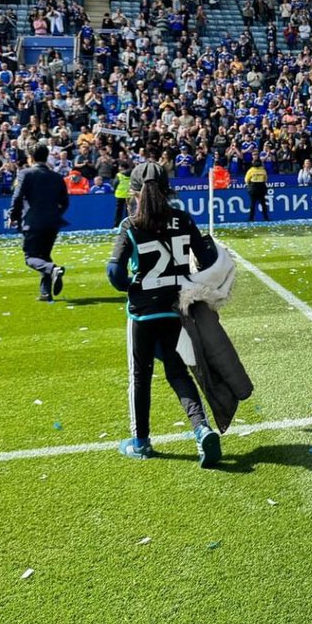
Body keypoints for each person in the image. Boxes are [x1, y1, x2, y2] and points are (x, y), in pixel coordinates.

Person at [106, 161, 223, 465]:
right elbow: (208, 258)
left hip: (143, 313)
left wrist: (134, 286)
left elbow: (114, 274)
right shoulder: (183, 219)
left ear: (134, 192)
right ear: (168, 189)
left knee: (140, 376)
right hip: (176, 308)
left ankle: (141, 442)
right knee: (176, 370)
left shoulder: (130, 224)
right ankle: (202, 428)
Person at [8, 145, 69, 301]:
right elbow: (65, 201)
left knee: (31, 257)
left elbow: (17, 197)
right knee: (44, 256)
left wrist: (13, 216)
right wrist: (55, 214)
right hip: (52, 222)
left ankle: (53, 269)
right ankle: (45, 292)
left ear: (31, 158)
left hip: (33, 222)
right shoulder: (56, 177)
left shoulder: (25, 174)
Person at [244, 156, 270, 222]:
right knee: (263, 204)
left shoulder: (251, 170)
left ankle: (251, 218)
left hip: (253, 188)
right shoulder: (263, 170)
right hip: (261, 188)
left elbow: (246, 180)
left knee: (253, 204)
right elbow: (266, 179)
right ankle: (266, 218)